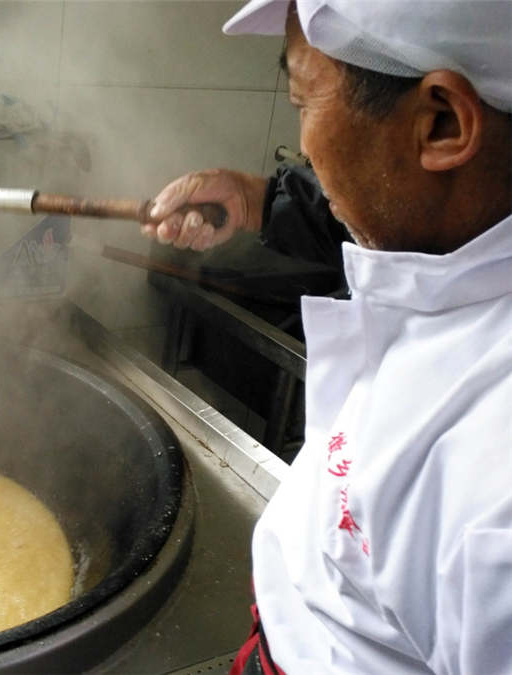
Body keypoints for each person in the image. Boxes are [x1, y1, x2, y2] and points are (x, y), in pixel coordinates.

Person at [143, 1, 512, 674]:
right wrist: (260, 200)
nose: (304, 147)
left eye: (304, 102)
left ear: (442, 123)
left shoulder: (494, 483)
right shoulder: (450, 244)